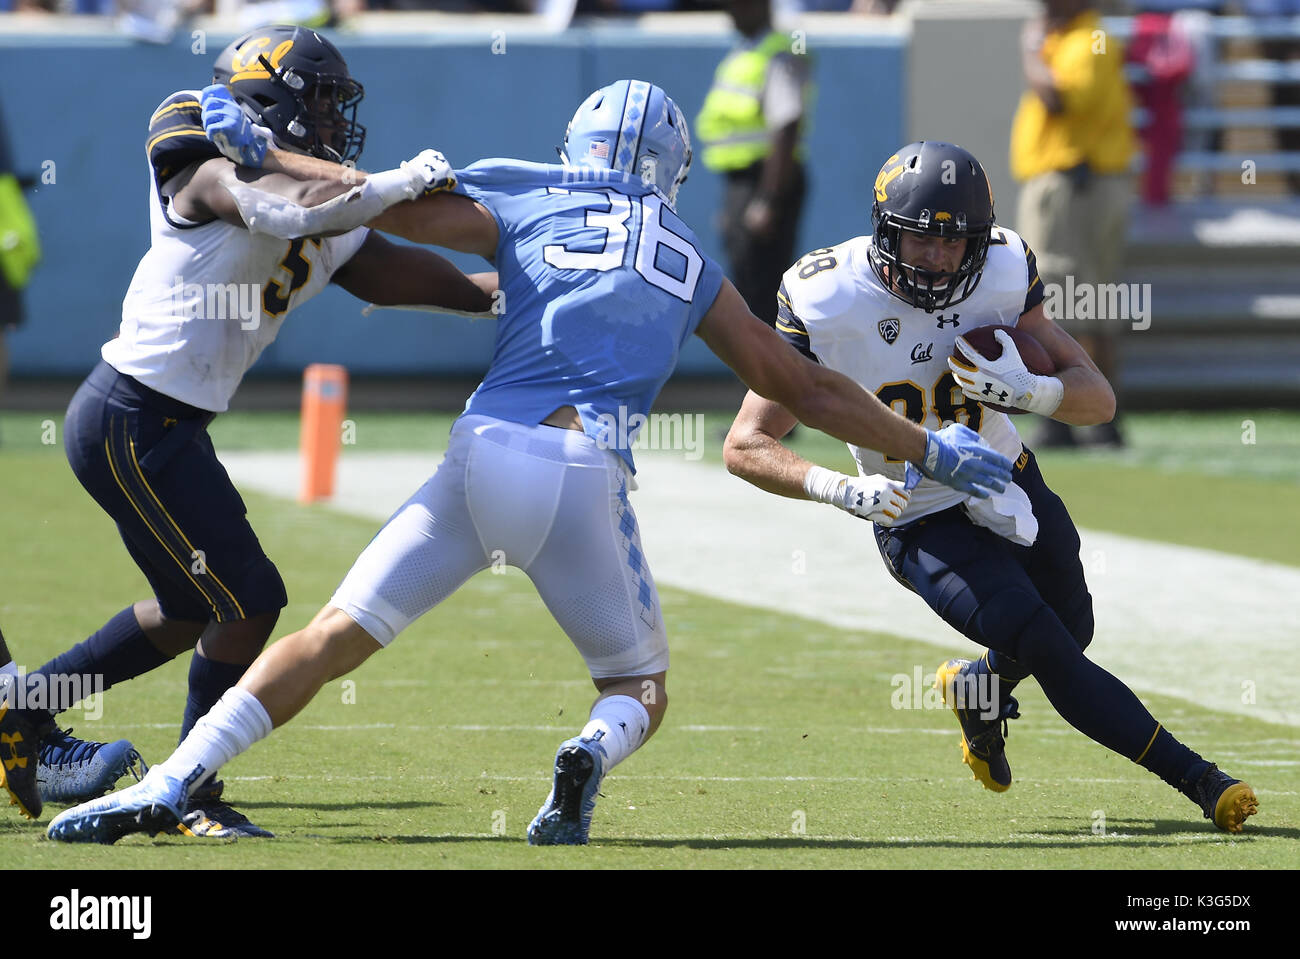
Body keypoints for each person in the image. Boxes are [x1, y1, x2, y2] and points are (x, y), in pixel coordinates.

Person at [46, 81, 1014, 846]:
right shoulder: (684, 250)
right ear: (675, 170)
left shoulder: (525, 186)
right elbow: (799, 386)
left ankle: (168, 782)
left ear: (577, 149)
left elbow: (373, 204)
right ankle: (585, 753)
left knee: (330, 633)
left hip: (477, 449)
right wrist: (928, 446)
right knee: (638, 686)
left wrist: (273, 153)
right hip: (578, 469)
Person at [0, 24, 495, 835]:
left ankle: (24, 711)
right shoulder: (207, 164)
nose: (336, 117)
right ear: (271, 97)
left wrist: (520, 295)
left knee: (189, 607)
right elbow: (282, 205)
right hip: (131, 416)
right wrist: (385, 183)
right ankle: (187, 786)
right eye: (323, 99)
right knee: (249, 595)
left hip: (165, 425)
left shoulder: (323, 196)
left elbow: (405, 275)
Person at [722, 140, 1258, 833]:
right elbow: (746, 443)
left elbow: (1099, 401)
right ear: (886, 231)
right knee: (1046, 642)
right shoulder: (826, 298)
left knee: (1075, 625)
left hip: (1009, 476)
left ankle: (980, 686)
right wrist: (842, 490)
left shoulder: (1003, 269)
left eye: (957, 242)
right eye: (924, 241)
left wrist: (1034, 389)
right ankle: (1201, 779)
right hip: (917, 514)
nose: (942, 258)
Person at [1011, 0, 1135, 447]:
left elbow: (1057, 97)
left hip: (1074, 187)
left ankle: (1069, 416)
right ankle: (1101, 419)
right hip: (1081, 185)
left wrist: (1030, 49)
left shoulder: (1088, 40)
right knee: (1093, 300)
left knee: (1065, 298)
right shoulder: (1078, 38)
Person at [695, 0, 811, 329]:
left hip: (767, 179)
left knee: (764, 290)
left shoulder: (778, 50)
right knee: (747, 284)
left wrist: (767, 200)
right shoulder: (746, 51)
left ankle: (771, 376)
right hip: (744, 182)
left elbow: (787, 124)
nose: (733, 10)